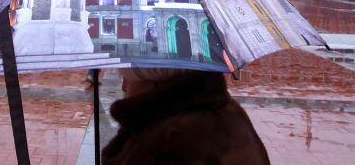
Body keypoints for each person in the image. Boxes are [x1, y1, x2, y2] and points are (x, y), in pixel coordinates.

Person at [102, 68, 270, 165]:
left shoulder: (167, 140)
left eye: (127, 79)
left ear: (153, 81)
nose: (124, 87)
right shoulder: (227, 110)